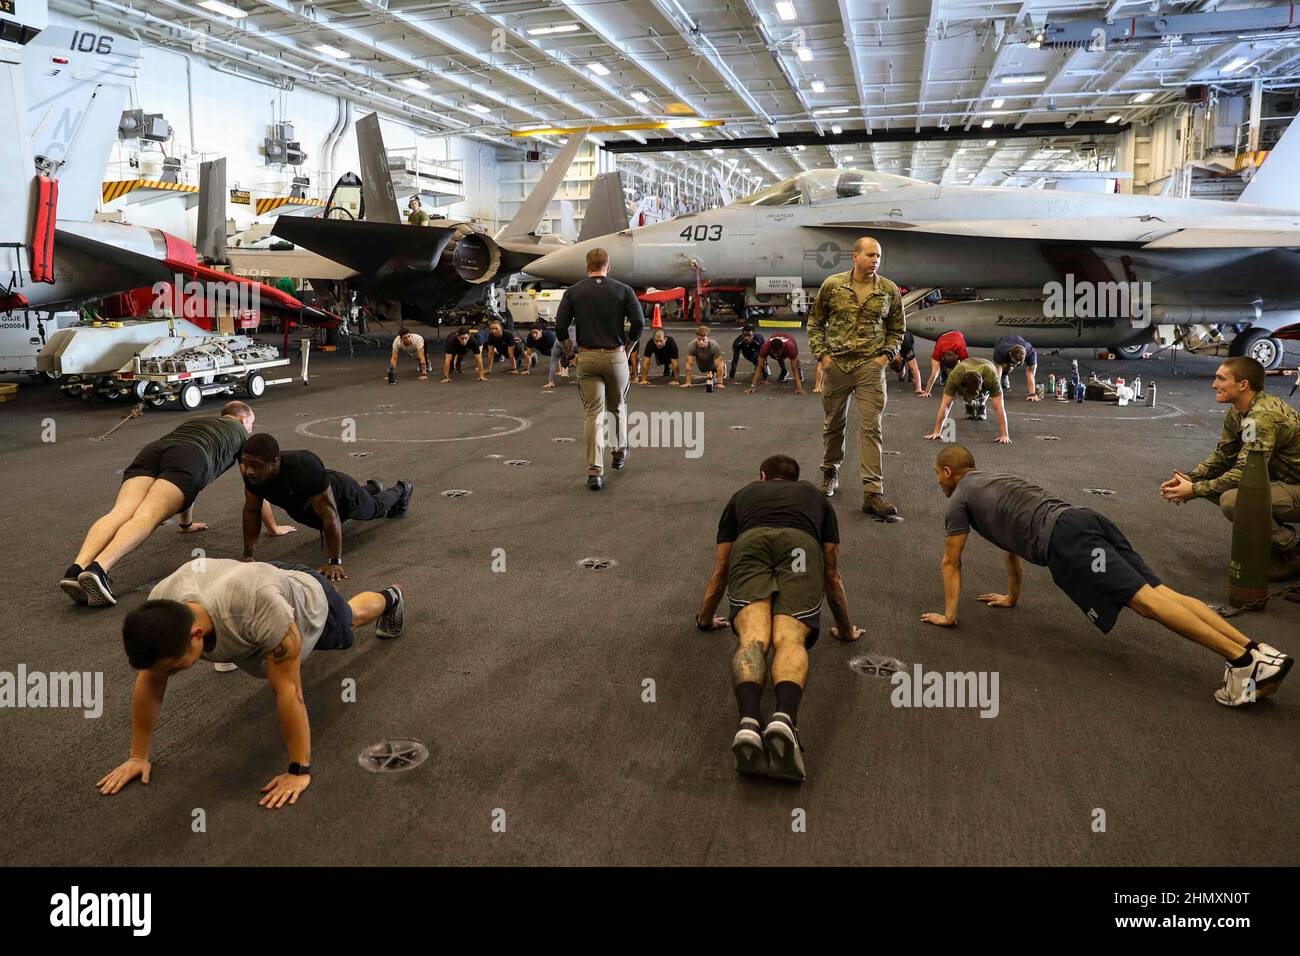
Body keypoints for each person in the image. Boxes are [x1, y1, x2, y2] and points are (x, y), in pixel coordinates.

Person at [925, 445, 1292, 707]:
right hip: (1085, 518)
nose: (939, 485)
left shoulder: (959, 499)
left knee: (1147, 604)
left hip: (1068, 540)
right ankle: (1255, 650)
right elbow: (1013, 544)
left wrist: (950, 616)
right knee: (1161, 592)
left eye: (937, 477)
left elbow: (951, 562)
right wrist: (1012, 596)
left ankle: (1243, 664)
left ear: (947, 472)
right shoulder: (995, 480)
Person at [96, 559, 406, 809]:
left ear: (197, 634)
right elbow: (151, 680)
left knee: (350, 619)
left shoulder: (258, 608)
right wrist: (138, 756)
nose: (170, 674)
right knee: (239, 639)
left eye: (176, 668)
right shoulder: (162, 605)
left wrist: (298, 770)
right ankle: (234, 645)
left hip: (307, 600)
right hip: (256, 579)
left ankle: (390, 597)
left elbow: (289, 692)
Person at [694, 454, 861, 782]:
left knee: (754, 637)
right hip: (799, 551)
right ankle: (784, 718)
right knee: (789, 638)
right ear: (796, 479)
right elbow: (832, 571)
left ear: (762, 476)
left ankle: (748, 723)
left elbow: (721, 570)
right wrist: (845, 629)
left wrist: (704, 618)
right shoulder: (815, 496)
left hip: (751, 545)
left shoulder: (743, 495)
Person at [60, 402, 292, 607]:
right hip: (190, 458)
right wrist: (273, 528)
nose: (251, 428)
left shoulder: (198, 421)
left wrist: (186, 524)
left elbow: (190, 488)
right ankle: (99, 569)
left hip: (154, 451)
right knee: (147, 516)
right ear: (243, 419)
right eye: (252, 423)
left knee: (120, 512)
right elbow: (253, 486)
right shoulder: (242, 433)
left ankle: (77, 568)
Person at [1160, 357, 1300, 579]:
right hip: (1284, 481)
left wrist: (1194, 490)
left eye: (1221, 379)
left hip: (1296, 486)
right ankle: (1274, 543)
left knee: (1232, 501)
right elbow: (1223, 456)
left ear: (1243, 385)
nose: (1214, 385)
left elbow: (1246, 471)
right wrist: (1189, 478)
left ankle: (1293, 550)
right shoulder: (1239, 412)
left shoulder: (1261, 418)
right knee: (1214, 487)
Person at [808, 236, 906, 518]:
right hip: (836, 365)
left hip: (869, 368)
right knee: (833, 424)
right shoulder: (833, 285)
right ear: (855, 256)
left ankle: (873, 492)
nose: (875, 260)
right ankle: (830, 474)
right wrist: (823, 356)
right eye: (870, 255)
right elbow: (816, 322)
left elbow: (897, 328)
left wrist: (884, 358)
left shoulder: (888, 289)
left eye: (878, 256)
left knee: (871, 428)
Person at [239, 433, 414, 580]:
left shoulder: (304, 466)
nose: (249, 471)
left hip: (343, 495)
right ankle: (373, 487)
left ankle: (401, 490)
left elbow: (329, 515)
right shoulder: (253, 476)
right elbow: (252, 512)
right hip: (314, 497)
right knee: (314, 509)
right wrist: (248, 555)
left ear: (275, 461)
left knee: (373, 509)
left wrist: (334, 562)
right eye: (246, 464)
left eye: (256, 466)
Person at [553, 247, 644, 490]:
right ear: (608, 266)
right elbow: (639, 322)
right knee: (617, 407)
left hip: (588, 357)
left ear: (587, 267)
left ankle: (595, 472)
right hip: (615, 356)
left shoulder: (573, 292)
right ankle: (619, 451)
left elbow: (560, 325)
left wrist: (569, 348)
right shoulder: (624, 290)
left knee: (593, 414)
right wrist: (629, 345)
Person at [925, 356, 1012, 444]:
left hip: (987, 368)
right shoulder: (955, 377)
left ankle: (981, 405)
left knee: (982, 397)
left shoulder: (991, 377)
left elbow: (999, 407)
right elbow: (945, 405)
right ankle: (969, 404)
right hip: (964, 369)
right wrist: (937, 431)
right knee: (968, 398)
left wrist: (1005, 435)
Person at [922, 329, 969, 396]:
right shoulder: (938, 349)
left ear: (957, 356)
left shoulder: (961, 348)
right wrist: (927, 391)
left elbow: (969, 369)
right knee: (938, 366)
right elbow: (934, 373)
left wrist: (968, 389)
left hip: (957, 335)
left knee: (962, 369)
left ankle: (957, 379)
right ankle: (944, 373)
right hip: (942, 336)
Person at [992, 334, 1039, 398]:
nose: (1016, 364)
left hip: (1018, 341)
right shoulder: (1000, 351)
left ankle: (1005, 374)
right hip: (1002, 341)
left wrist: (1032, 394)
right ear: (1010, 354)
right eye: (1015, 361)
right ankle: (1004, 375)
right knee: (1000, 369)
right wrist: (994, 393)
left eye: (1019, 362)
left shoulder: (1031, 353)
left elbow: (1031, 373)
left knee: (1010, 367)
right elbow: (997, 373)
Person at [888, 330, 924, 396]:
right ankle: (900, 374)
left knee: (912, 367)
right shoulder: (889, 350)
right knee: (900, 376)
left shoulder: (907, 347)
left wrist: (919, 388)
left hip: (907, 338)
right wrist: (899, 374)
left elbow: (915, 369)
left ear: (902, 359)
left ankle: (910, 375)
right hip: (894, 338)